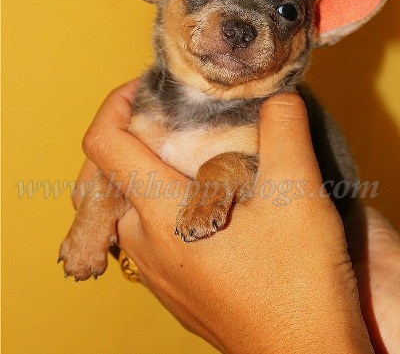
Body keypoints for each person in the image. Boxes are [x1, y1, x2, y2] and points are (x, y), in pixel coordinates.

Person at [76, 81, 400, 354]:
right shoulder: (152, 105)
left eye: (284, 21)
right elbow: (123, 181)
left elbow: (256, 175)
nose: (238, 30)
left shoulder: (272, 109)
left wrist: (287, 335)